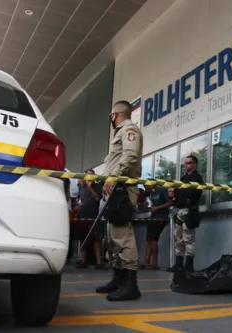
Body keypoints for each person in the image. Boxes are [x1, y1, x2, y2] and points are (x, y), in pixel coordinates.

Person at [95, 100, 144, 302]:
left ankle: (130, 284)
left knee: (123, 236)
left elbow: (131, 155)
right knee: (113, 236)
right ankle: (118, 279)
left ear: (114, 115)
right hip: (114, 191)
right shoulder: (120, 133)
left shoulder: (129, 129)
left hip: (122, 189)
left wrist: (114, 177)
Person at [167, 155, 203, 273]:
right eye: (185, 163)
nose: (187, 165)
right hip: (180, 210)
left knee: (188, 238)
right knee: (178, 238)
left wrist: (176, 190)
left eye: (189, 163)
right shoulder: (183, 178)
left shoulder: (197, 178)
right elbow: (180, 194)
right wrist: (173, 194)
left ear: (195, 164)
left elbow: (192, 193)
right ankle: (178, 264)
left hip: (189, 210)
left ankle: (188, 265)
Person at [74, 169, 107, 269]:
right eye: (88, 176)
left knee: (96, 240)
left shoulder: (97, 187)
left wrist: (90, 188)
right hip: (83, 216)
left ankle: (98, 262)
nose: (90, 178)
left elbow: (97, 199)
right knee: (83, 239)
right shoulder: (80, 187)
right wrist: (77, 206)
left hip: (94, 217)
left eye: (92, 176)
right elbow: (78, 198)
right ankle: (83, 261)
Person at [139, 182, 172, 269]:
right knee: (149, 239)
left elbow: (169, 202)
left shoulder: (163, 190)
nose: (146, 189)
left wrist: (158, 208)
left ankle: (155, 262)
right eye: (145, 187)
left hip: (161, 217)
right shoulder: (152, 193)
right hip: (152, 217)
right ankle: (146, 260)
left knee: (153, 239)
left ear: (152, 184)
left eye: (147, 187)